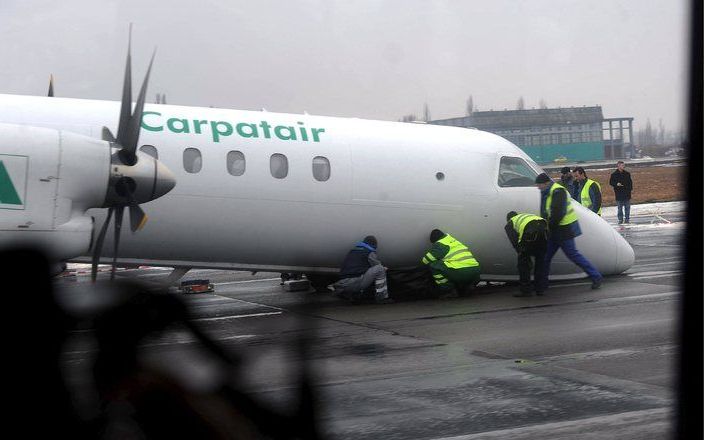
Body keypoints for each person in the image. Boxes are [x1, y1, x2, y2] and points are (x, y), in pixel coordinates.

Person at [534, 173, 603, 291]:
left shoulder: (558, 191)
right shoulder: (546, 192)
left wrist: (548, 227)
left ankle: (596, 276)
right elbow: (545, 211)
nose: (538, 187)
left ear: (545, 183)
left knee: (573, 255)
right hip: (555, 230)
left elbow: (558, 214)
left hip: (564, 230)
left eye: (539, 185)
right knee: (545, 257)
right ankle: (541, 285)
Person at [333, 235, 393, 304]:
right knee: (380, 269)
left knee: (361, 273)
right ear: (374, 244)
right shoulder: (369, 252)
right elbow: (377, 265)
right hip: (355, 283)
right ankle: (382, 298)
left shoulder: (352, 251)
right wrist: (384, 268)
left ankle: (353, 295)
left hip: (342, 283)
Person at [421, 229, 480, 297]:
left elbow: (425, 261)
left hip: (462, 272)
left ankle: (448, 291)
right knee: (453, 265)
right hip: (476, 272)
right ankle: (469, 286)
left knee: (434, 266)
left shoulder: (440, 244)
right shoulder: (453, 241)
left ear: (435, 240)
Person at [505, 211, 548, 297]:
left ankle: (526, 291)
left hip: (530, 235)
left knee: (523, 265)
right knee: (540, 263)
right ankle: (540, 289)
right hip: (544, 231)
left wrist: (523, 254)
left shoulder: (510, 223)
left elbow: (515, 242)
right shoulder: (527, 216)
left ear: (508, 219)